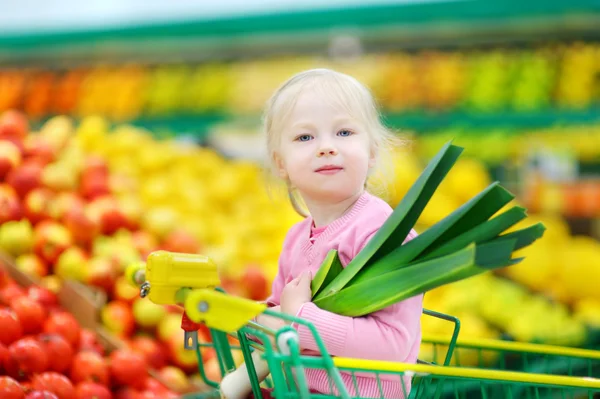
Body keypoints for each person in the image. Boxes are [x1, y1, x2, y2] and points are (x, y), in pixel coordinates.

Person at [251, 68, 423, 398]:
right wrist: (242, 316)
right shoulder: (295, 239)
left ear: (372, 152)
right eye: (305, 137)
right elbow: (278, 317)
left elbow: (393, 344)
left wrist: (301, 317)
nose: (327, 147)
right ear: (281, 163)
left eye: (344, 132)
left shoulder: (383, 235)